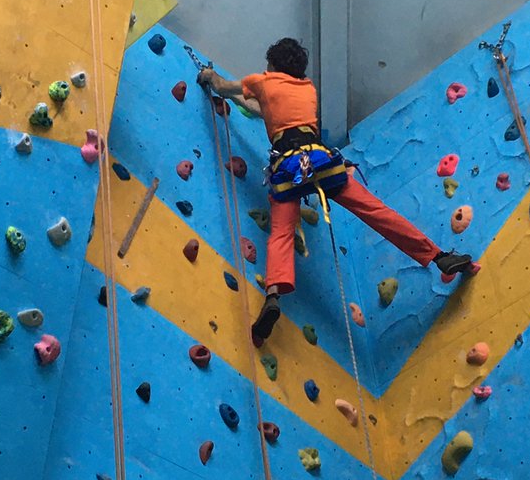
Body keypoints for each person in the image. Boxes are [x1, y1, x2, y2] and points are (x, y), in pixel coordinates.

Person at [199, 37, 476, 341]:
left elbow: (227, 89)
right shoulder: (307, 89)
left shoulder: (263, 81)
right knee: (376, 211)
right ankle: (438, 257)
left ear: (273, 64)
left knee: (281, 233)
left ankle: (273, 296)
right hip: (322, 162)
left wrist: (209, 77)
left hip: (288, 169)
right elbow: (262, 109)